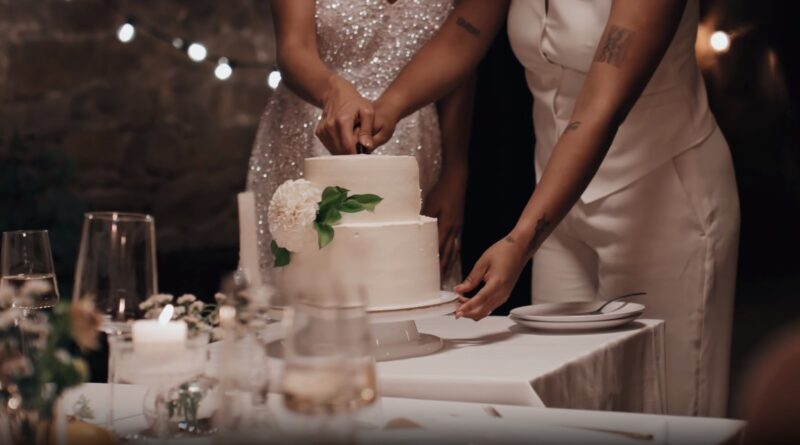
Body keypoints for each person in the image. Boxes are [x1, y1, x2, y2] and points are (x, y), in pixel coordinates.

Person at [319, 0, 740, 417]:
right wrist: (386, 110)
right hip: (557, 210)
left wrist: (520, 241)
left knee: (669, 409)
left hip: (662, 196)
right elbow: (465, 33)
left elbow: (599, 110)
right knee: (566, 401)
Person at [248, 0, 473, 290]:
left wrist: (455, 170)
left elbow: (461, 59)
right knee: (304, 295)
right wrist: (332, 91)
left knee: (405, 292)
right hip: (315, 123)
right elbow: (294, 48)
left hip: (415, 141)